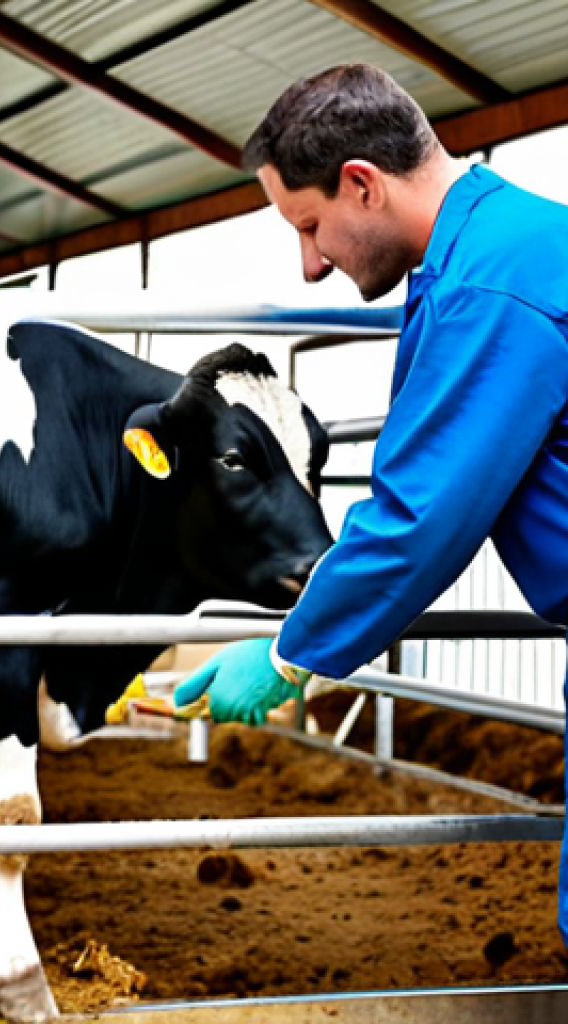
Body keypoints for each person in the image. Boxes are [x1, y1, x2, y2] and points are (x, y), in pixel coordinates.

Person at [172, 62, 568, 944]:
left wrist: (289, 652)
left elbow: (420, 517)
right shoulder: (505, 247)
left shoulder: (489, 285)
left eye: (310, 227)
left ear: (363, 184)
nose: (310, 266)